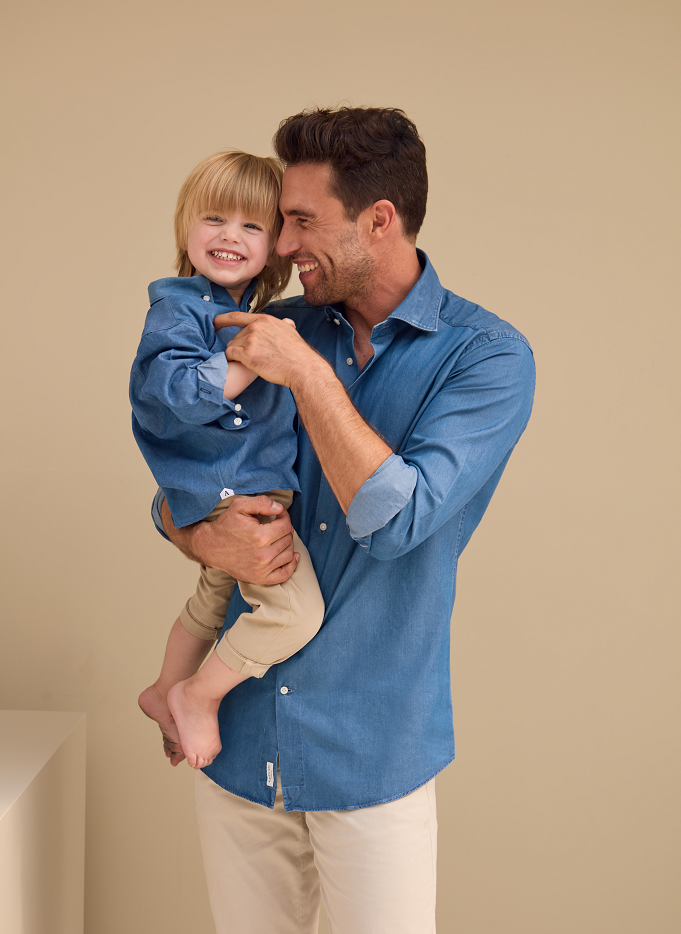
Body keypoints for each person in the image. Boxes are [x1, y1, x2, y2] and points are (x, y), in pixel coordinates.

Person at [156, 107, 536, 934]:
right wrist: (194, 531)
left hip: (372, 755)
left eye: (301, 221)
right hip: (240, 744)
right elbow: (186, 467)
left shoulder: (485, 358)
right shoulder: (274, 327)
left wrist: (307, 377)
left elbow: (397, 522)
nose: (281, 245)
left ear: (378, 220)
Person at [131, 150, 325, 770]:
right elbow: (177, 394)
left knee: (213, 599)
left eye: (251, 226)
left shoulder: (256, 316)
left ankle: (164, 689)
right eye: (214, 218)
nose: (230, 236)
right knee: (294, 613)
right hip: (229, 491)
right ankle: (199, 695)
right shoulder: (179, 309)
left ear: (275, 247)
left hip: (243, 486)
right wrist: (249, 358)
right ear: (186, 228)